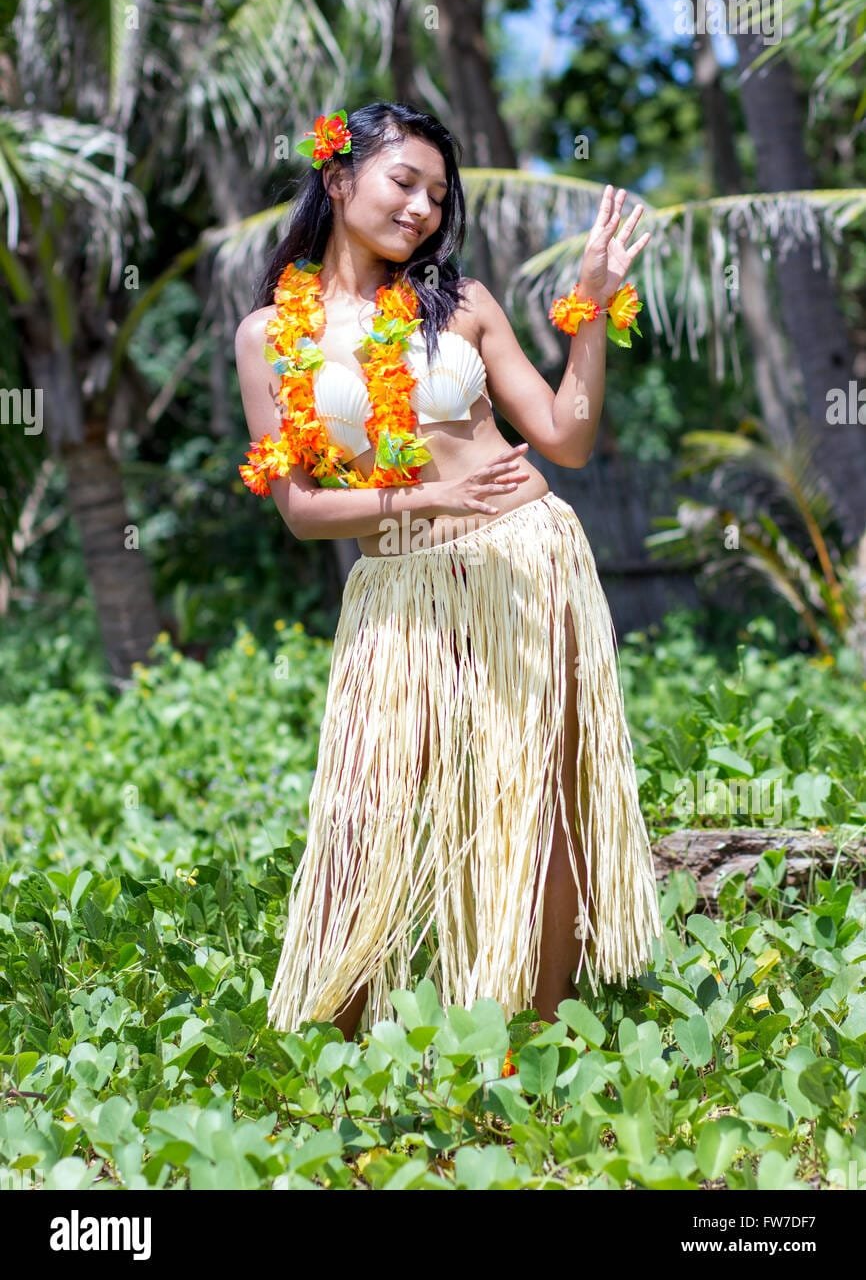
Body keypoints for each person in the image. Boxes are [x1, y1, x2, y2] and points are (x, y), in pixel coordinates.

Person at [235, 100, 662, 1041]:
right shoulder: (271, 336)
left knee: (536, 804)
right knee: (363, 816)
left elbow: (566, 437)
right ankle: (334, 1051)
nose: (424, 208)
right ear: (338, 178)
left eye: (438, 193)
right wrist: (427, 503)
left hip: (522, 561)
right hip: (396, 584)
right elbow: (303, 510)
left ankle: (541, 1050)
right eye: (405, 182)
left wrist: (589, 303)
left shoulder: (460, 305)